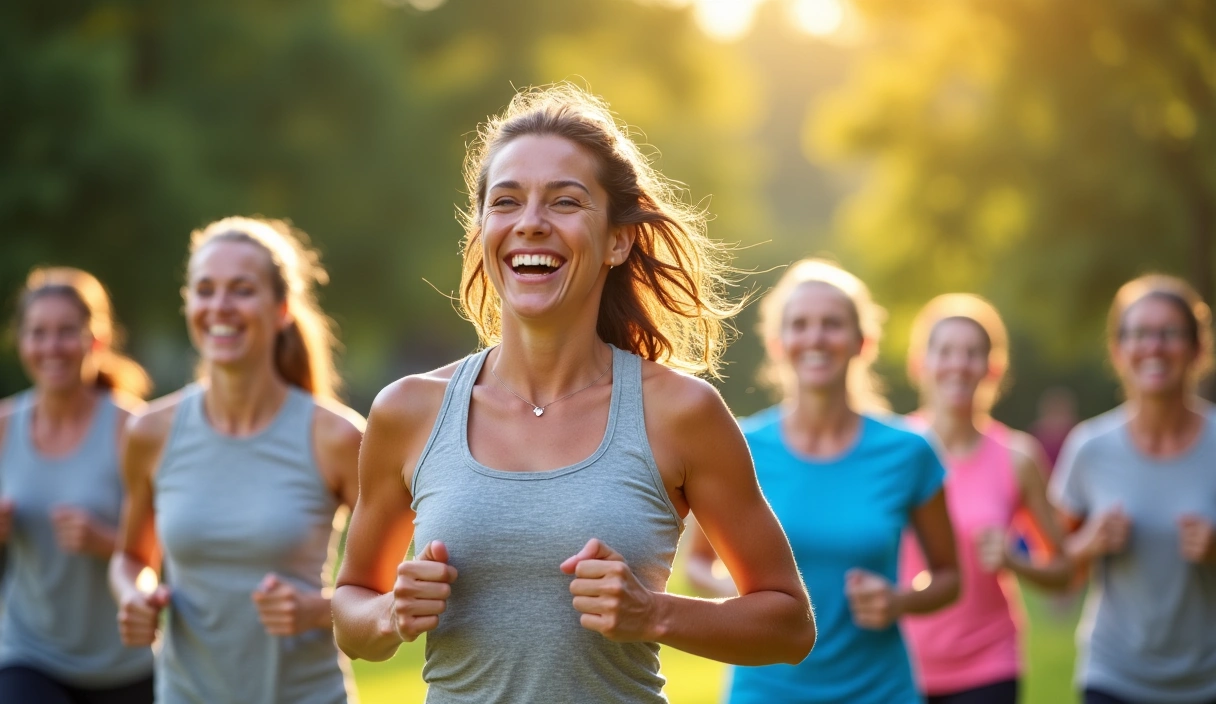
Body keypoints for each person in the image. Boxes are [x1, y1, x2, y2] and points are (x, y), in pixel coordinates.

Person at [331, 84, 815, 703]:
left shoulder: (679, 413)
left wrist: (652, 614)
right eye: (505, 202)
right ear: (482, 232)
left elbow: (789, 625)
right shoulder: (408, 411)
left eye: (564, 201)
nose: (530, 222)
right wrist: (389, 614)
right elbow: (352, 610)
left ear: (617, 240)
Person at [108, 217, 364, 704]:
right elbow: (132, 557)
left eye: (242, 290)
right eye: (205, 289)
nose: (219, 307)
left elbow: (396, 592)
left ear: (282, 309)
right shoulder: (150, 432)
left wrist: (315, 610)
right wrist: (135, 595)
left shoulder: (336, 436)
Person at [685, 259, 959, 704]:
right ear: (778, 342)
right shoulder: (740, 446)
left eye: (832, 324)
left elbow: (949, 577)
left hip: (881, 692)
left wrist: (899, 600)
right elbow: (697, 564)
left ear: (861, 342)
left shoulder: (909, 452)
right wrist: (744, 598)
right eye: (800, 324)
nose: (815, 338)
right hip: (766, 689)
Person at [899, 293, 1073, 704]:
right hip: (897, 662)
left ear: (993, 368)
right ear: (919, 363)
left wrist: (1014, 559)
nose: (959, 364)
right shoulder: (890, 449)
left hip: (989, 664)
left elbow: (1064, 569)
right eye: (945, 351)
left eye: (972, 353)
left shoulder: (1017, 457)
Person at [1050, 274, 1216, 704]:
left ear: (1198, 348)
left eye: (1169, 334)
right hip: (1113, 676)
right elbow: (1056, 563)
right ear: (1118, 350)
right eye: (1139, 334)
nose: (1154, 347)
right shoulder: (1090, 448)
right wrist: (1089, 543)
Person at [0, 267, 155, 703]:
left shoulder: (135, 428)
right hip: (28, 653)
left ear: (96, 340)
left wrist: (105, 540)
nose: (52, 347)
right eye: (38, 333)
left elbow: (180, 548)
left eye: (67, 332)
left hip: (128, 661)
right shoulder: (3, 428)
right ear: (22, 342)